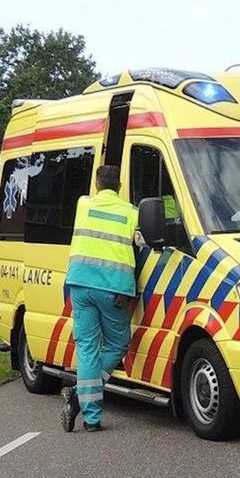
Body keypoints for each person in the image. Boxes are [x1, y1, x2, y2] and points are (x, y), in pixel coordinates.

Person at [61, 165, 140, 433]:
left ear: (96, 185)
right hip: (114, 288)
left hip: (80, 285)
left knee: (87, 350)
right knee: (118, 343)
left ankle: (91, 417)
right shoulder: (131, 213)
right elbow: (141, 243)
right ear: (119, 185)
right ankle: (79, 398)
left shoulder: (83, 204)